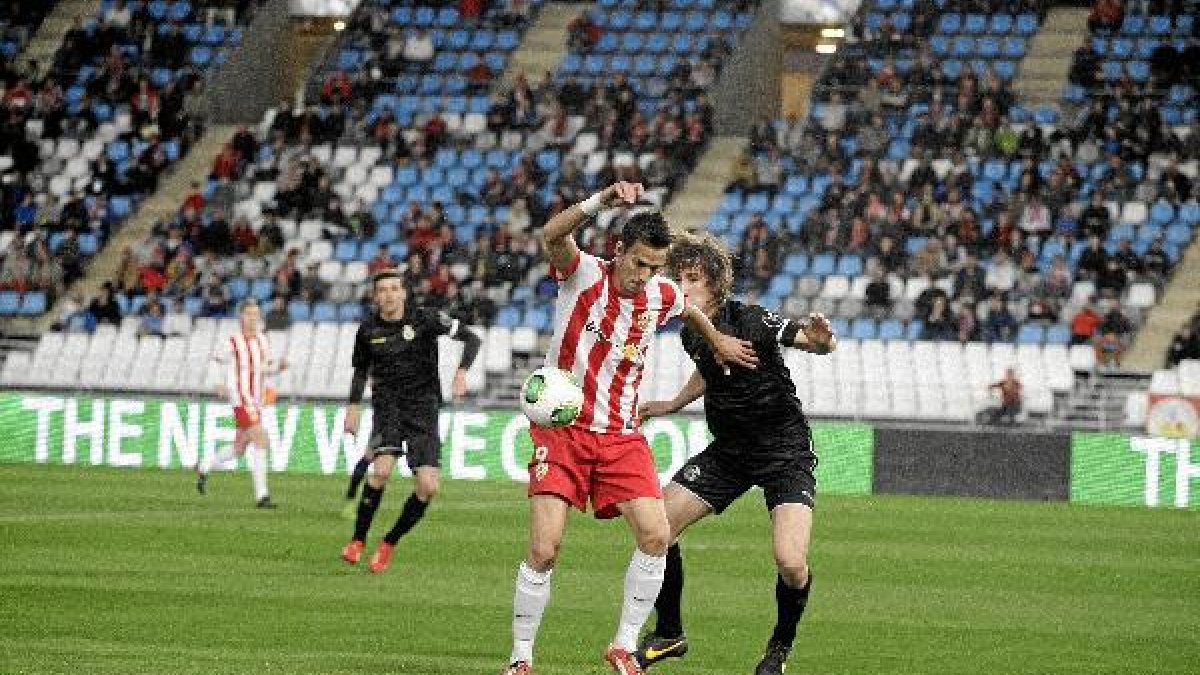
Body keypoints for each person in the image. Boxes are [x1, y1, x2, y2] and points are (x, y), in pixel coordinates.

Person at [501, 183, 758, 675]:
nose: (646, 276)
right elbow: (551, 234)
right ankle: (521, 658)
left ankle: (623, 645)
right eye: (639, 263)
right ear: (618, 252)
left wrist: (719, 341)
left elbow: (690, 308)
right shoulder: (582, 275)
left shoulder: (660, 294)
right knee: (544, 547)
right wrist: (600, 202)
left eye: (655, 268)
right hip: (564, 433)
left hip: (621, 436)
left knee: (657, 535)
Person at [632, 232, 837, 675]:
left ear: (716, 284)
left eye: (692, 279)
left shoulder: (752, 320)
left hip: (785, 453)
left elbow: (807, 340)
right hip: (730, 452)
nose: (683, 288)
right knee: (658, 527)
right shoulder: (692, 332)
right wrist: (672, 403)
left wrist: (821, 341)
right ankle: (669, 633)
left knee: (791, 561)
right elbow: (710, 371)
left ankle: (779, 648)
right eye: (678, 278)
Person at [339, 270, 482, 574]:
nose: (389, 295)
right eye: (382, 290)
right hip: (387, 407)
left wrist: (461, 372)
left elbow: (471, 338)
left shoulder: (426, 319)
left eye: (394, 289)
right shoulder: (367, 330)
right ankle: (357, 540)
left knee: (428, 486)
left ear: (404, 293)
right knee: (380, 471)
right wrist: (353, 406)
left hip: (423, 408)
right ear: (375, 296)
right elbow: (360, 371)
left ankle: (389, 542)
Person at [196, 299, 287, 507]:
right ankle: (262, 496)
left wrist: (278, 367)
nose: (254, 318)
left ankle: (204, 466)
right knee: (261, 439)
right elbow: (215, 361)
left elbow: (264, 368)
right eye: (249, 314)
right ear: (242, 317)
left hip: (256, 400)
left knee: (239, 448)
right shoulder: (233, 341)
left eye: (256, 314)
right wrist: (217, 383)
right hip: (241, 398)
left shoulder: (263, 341)